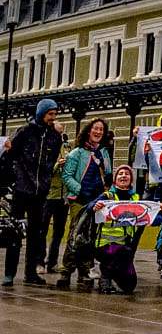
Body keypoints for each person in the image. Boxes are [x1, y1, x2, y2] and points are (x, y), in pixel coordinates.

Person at [3, 98, 65, 285]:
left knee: (36, 234)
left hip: (40, 192)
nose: (52, 118)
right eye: (49, 114)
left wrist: (45, 182)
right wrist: (15, 179)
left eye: (54, 114)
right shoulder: (25, 131)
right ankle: (9, 273)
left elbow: (51, 160)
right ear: (41, 114)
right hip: (22, 190)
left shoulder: (54, 136)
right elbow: (9, 156)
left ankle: (31, 273)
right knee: (14, 232)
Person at [55, 117, 115, 289]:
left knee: (90, 237)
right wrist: (80, 190)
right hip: (79, 201)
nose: (98, 132)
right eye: (95, 129)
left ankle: (84, 272)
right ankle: (65, 271)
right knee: (76, 234)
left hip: (97, 202)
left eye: (101, 130)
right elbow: (67, 176)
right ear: (88, 131)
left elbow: (109, 175)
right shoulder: (76, 153)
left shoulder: (103, 153)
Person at [87, 165, 148, 295]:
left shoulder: (136, 199)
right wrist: (95, 206)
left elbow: (151, 216)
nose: (124, 175)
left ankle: (111, 271)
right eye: (120, 173)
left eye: (127, 173)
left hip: (124, 247)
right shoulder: (107, 196)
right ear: (115, 179)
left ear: (131, 179)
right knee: (122, 252)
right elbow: (89, 207)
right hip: (104, 245)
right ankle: (106, 277)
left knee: (129, 286)